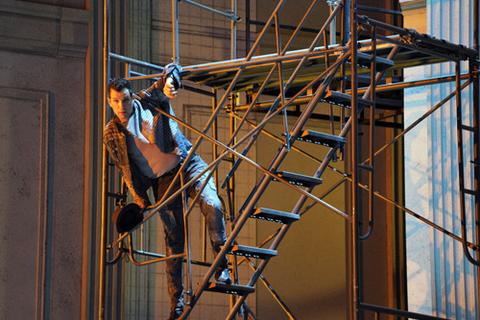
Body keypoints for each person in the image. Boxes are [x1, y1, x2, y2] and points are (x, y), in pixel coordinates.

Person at [104, 71, 231, 320]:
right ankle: (176, 304)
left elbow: (170, 71)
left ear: (132, 97)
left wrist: (172, 82)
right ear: (110, 102)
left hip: (187, 163)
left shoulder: (147, 100)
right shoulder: (110, 134)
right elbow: (124, 168)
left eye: (126, 100)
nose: (122, 106)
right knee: (173, 242)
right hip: (163, 182)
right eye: (116, 101)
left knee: (211, 203)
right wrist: (139, 197)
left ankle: (222, 267)